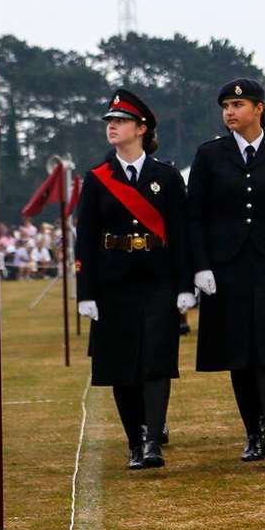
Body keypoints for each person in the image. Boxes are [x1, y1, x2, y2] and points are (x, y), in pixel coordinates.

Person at [187, 79, 265, 461]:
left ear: (258, 108)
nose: (230, 112)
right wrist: (201, 266)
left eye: (237, 104)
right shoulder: (209, 155)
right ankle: (253, 433)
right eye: (225, 105)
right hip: (228, 269)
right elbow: (195, 218)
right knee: (238, 352)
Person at [75, 89, 194, 470]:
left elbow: (181, 234)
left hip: (157, 278)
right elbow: (86, 238)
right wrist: (86, 292)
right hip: (113, 282)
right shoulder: (98, 178)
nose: (113, 127)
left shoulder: (167, 176)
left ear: (142, 128)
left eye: (121, 121)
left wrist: (184, 285)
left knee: (157, 360)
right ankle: (134, 438)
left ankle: (152, 441)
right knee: (122, 364)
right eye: (110, 122)